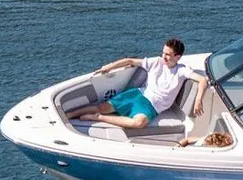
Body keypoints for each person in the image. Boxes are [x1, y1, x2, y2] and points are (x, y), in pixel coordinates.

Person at [66, 38, 208, 129]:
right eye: (163, 52)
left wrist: (198, 99)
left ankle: (98, 118)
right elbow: (130, 61)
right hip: (139, 94)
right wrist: (109, 67)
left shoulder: (181, 71)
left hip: (152, 106)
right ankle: (70, 114)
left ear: (177, 57)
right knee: (102, 106)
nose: (163, 56)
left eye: (168, 55)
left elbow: (203, 80)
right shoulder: (156, 62)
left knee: (139, 123)